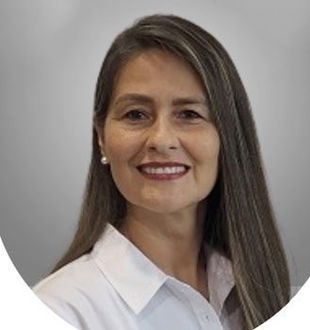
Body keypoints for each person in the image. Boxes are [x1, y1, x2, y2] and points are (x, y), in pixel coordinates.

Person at [33, 14, 291, 330]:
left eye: (189, 114)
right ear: (101, 137)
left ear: (228, 136)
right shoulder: (60, 311)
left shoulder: (272, 297)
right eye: (136, 114)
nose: (161, 140)